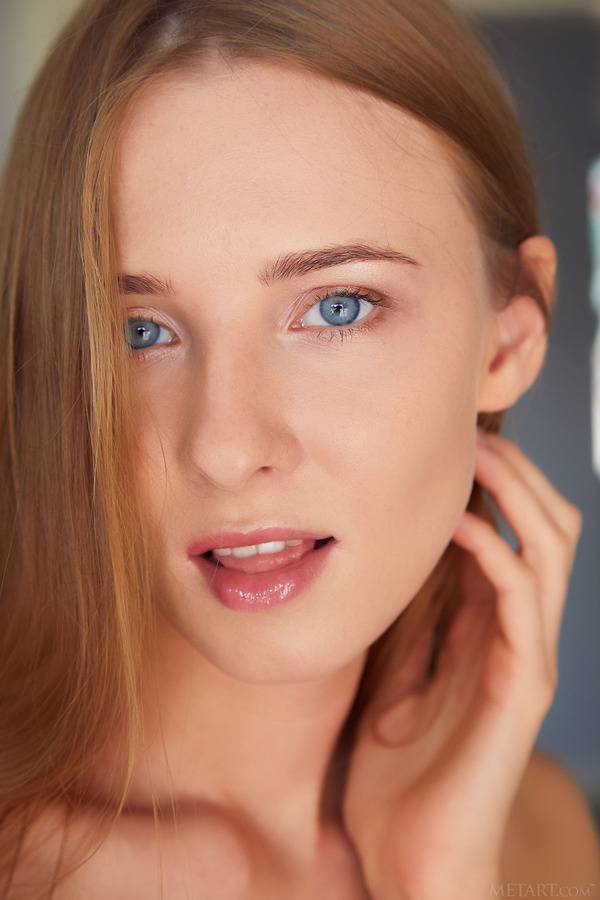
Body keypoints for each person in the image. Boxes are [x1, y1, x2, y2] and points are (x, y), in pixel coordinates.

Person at [0, 0, 598, 896]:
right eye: (137, 333)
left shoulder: (538, 838)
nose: (226, 448)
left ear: (505, 344)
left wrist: (443, 877)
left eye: (336, 307)